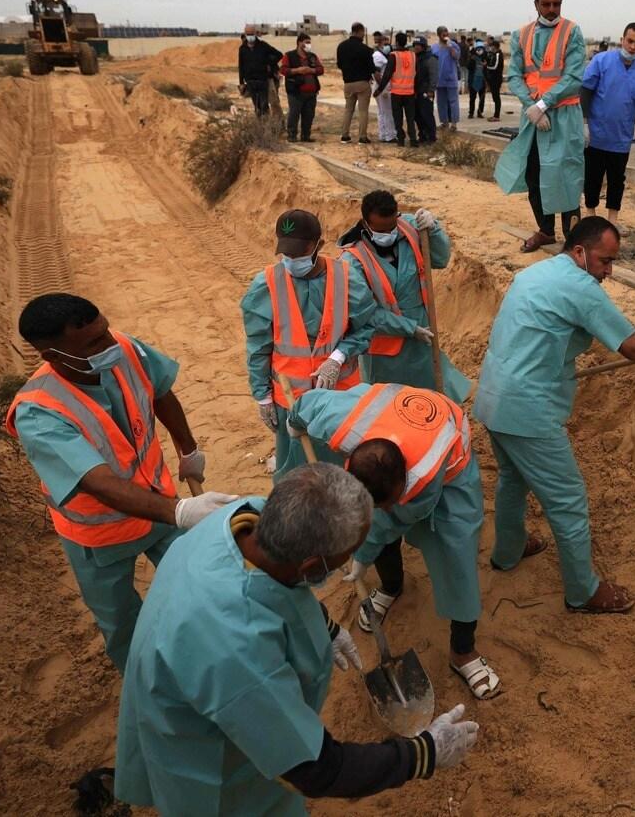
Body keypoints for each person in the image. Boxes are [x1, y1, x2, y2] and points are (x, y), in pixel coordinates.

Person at [115, 463, 479, 814]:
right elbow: (316, 769)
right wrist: (422, 753)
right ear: (311, 567)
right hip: (210, 757)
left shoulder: (248, 517)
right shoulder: (236, 650)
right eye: (344, 557)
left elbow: (276, 586)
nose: (346, 561)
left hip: (189, 657)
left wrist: (326, 624)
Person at [474, 217, 635, 613]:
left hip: (494, 396)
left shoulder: (537, 272)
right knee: (568, 500)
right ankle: (582, 592)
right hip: (527, 410)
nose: (609, 271)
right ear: (580, 252)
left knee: (513, 480)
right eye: (605, 261)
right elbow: (634, 347)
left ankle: (508, 550)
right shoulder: (580, 288)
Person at [5, 293, 238, 673]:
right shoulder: (39, 413)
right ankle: (146, 688)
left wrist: (188, 450)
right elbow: (98, 483)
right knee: (123, 626)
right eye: (95, 343)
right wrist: (180, 511)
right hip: (101, 537)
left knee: (203, 585)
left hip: (157, 509)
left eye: (105, 331)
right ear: (53, 356)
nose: (111, 344)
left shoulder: (123, 348)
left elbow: (160, 392)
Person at [289, 384, 499, 698]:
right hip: (399, 420)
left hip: (452, 464)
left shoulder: (423, 478)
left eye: (390, 500)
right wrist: (294, 422)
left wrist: (362, 556)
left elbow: (391, 521)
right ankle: (391, 586)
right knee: (375, 524)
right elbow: (304, 404)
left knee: (456, 554)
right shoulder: (339, 417)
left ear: (406, 482)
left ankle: (463, 651)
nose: (386, 508)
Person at [241, 209, 380, 481]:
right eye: (287, 253)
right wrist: (263, 397)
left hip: (339, 397)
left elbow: (366, 327)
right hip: (290, 400)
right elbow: (258, 346)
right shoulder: (266, 284)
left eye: (299, 252)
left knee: (337, 474)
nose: (292, 260)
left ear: (319, 245)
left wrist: (338, 357)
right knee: (294, 476)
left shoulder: (346, 278)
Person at [338, 189, 472, 401]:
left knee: (429, 395)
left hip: (422, 329)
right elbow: (365, 313)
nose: (389, 234)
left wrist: (433, 230)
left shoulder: (409, 228)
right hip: (383, 346)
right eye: (381, 230)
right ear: (365, 223)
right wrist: (409, 328)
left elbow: (439, 259)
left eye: (392, 227)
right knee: (390, 403)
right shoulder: (352, 260)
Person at [495, 0, 587, 252]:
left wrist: (544, 104)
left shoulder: (572, 32)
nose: (551, 9)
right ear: (535, 3)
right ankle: (546, 230)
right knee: (535, 173)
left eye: (556, 4)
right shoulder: (521, 35)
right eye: (546, 4)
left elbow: (573, 75)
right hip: (534, 118)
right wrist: (531, 107)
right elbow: (515, 76)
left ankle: (574, 239)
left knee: (566, 173)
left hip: (563, 114)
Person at [581, 21, 635, 228]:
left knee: (617, 180)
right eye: (630, 41)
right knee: (593, 176)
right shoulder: (601, 61)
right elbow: (586, 91)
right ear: (622, 39)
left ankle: (612, 220)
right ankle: (590, 213)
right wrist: (584, 122)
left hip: (621, 136)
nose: (633, 47)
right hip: (596, 133)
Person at [376, 32, 419, 147]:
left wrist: (379, 89)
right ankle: (413, 139)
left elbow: (387, 75)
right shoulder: (413, 55)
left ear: (397, 42)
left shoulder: (393, 55)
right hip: (410, 92)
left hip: (397, 92)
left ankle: (401, 139)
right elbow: (417, 74)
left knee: (398, 118)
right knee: (410, 118)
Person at [281, 32, 325, 143]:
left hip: (311, 92)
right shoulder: (289, 56)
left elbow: (321, 70)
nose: (309, 45)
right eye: (307, 42)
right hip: (296, 92)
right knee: (294, 114)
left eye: (310, 43)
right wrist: (297, 70)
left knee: (309, 115)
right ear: (299, 43)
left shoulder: (312, 57)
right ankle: (292, 135)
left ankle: (306, 135)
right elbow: (283, 70)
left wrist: (311, 70)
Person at [336, 22, 376, 144]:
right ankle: (362, 137)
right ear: (359, 32)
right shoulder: (364, 49)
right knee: (363, 111)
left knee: (348, 109)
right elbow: (371, 67)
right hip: (362, 83)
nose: (364, 34)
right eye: (363, 32)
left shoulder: (341, 46)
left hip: (348, 83)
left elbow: (339, 64)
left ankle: (345, 135)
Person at [238, 25, 282, 118]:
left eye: (252, 34)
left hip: (263, 80)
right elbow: (241, 66)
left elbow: (279, 55)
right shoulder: (242, 49)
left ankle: (274, 125)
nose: (250, 36)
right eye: (248, 34)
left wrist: (269, 63)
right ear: (245, 34)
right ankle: (260, 126)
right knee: (257, 106)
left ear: (256, 34)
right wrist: (241, 82)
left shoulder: (263, 46)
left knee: (266, 104)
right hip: (250, 81)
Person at [432, 25, 462, 131]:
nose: (445, 35)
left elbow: (456, 57)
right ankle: (444, 122)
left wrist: (450, 47)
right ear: (439, 35)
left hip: (451, 78)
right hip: (439, 79)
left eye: (446, 33)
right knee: (441, 102)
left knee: (453, 101)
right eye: (443, 33)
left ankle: (454, 123)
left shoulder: (453, 45)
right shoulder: (434, 47)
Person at [371, 32, 397, 144]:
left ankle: (383, 134)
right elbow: (376, 73)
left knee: (382, 112)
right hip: (382, 86)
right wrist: (382, 88)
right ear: (380, 43)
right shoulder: (377, 56)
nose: (387, 45)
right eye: (385, 42)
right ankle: (390, 135)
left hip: (382, 86)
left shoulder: (382, 55)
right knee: (387, 112)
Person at [413, 36, 439, 144]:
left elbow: (434, 75)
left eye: (418, 46)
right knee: (417, 115)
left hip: (426, 91)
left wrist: (431, 90)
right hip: (416, 91)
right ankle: (422, 135)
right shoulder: (416, 57)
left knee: (426, 114)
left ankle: (431, 137)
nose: (416, 48)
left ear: (423, 46)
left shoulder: (430, 58)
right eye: (415, 46)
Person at [484, 37, 504, 122]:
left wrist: (486, 66)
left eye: (491, 46)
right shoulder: (493, 54)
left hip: (496, 78)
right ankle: (495, 115)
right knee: (494, 97)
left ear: (495, 47)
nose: (490, 48)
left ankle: (497, 116)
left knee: (496, 97)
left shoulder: (498, 54)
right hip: (492, 78)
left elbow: (495, 66)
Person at [467, 40, 488, 119]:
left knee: (481, 98)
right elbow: (468, 67)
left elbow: (487, 70)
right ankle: (471, 113)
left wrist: (485, 65)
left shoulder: (485, 58)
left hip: (482, 80)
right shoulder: (472, 58)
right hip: (473, 80)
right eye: (478, 49)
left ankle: (479, 112)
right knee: (472, 98)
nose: (479, 51)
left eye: (481, 49)